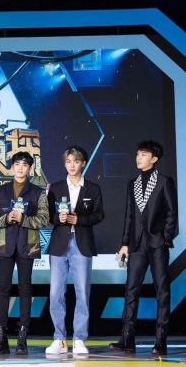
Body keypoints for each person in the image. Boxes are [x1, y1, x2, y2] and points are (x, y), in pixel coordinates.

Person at [109, 140, 178, 356]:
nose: (138, 158)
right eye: (138, 154)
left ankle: (161, 341)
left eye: (144, 154)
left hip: (157, 244)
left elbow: (172, 213)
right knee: (131, 290)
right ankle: (127, 339)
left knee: (162, 292)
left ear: (154, 159)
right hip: (136, 245)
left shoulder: (164, 181)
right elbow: (129, 216)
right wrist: (124, 243)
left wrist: (164, 238)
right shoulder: (133, 184)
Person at [0, 151, 49, 356]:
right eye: (17, 164)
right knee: (3, 289)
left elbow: (44, 219)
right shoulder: (1, 190)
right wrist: (7, 218)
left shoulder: (38, 192)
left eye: (24, 165)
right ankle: (1, 338)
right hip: (4, 244)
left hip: (27, 244)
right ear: (12, 167)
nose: (20, 168)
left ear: (29, 168)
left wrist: (23, 219)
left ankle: (22, 339)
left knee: (25, 289)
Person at [45, 146, 104, 355]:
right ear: (65, 163)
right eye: (69, 161)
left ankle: (79, 338)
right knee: (55, 293)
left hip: (82, 243)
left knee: (82, 292)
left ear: (83, 163)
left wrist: (80, 219)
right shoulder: (55, 187)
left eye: (76, 161)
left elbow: (99, 215)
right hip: (59, 243)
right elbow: (47, 215)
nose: (72, 165)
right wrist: (57, 218)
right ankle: (59, 338)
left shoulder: (93, 188)